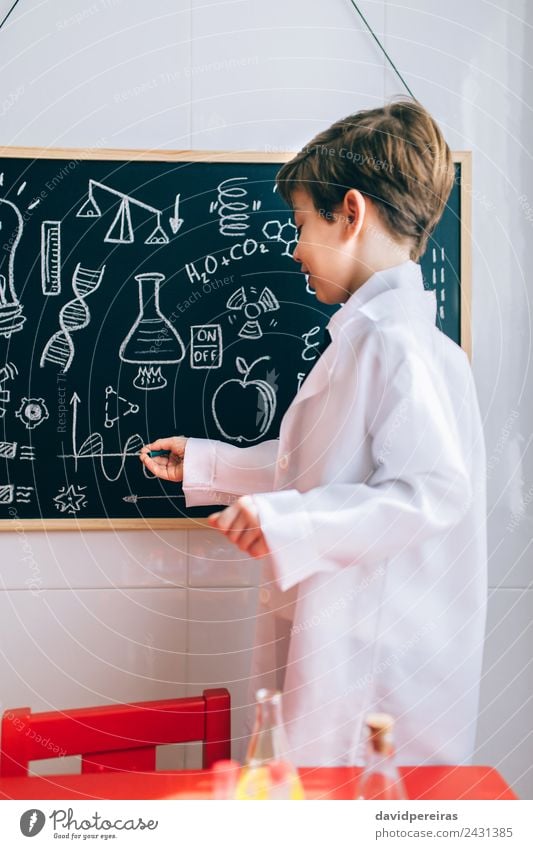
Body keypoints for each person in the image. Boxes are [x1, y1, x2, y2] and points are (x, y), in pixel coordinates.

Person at [140, 100, 487, 767]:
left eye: (301, 223)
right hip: (348, 651)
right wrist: (211, 466)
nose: (294, 248)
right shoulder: (374, 341)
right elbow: (325, 469)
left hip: (376, 675)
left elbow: (431, 493)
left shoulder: (399, 344)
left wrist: (288, 521)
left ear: (349, 213)